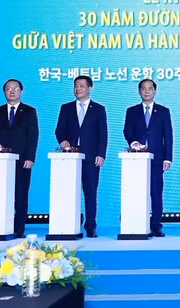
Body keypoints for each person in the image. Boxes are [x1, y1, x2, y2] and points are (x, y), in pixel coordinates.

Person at [0, 79, 39, 239]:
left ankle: (19, 229)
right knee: (0, 195)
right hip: (0, 162)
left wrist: (30, 158)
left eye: (15, 89)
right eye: (8, 89)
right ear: (4, 92)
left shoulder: (29, 111)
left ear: (21, 91)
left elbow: (33, 136)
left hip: (22, 160)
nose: (12, 91)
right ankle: (0, 226)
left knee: (21, 195)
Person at [55, 75, 108, 238]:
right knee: (69, 192)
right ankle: (69, 223)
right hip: (69, 158)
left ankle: (90, 225)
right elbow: (59, 130)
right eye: (75, 86)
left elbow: (103, 134)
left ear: (90, 88)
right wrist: (62, 140)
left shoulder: (99, 109)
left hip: (91, 158)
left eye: (81, 86)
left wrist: (101, 154)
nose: (77, 89)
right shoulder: (66, 108)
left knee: (90, 192)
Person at [123, 79, 173, 237]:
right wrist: (134, 142)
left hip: (157, 158)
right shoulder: (131, 111)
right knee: (137, 192)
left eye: (150, 89)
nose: (146, 91)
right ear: (139, 91)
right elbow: (127, 131)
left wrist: (168, 158)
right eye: (143, 89)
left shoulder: (163, 111)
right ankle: (138, 222)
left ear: (155, 91)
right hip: (136, 160)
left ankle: (156, 226)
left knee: (156, 193)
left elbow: (168, 136)